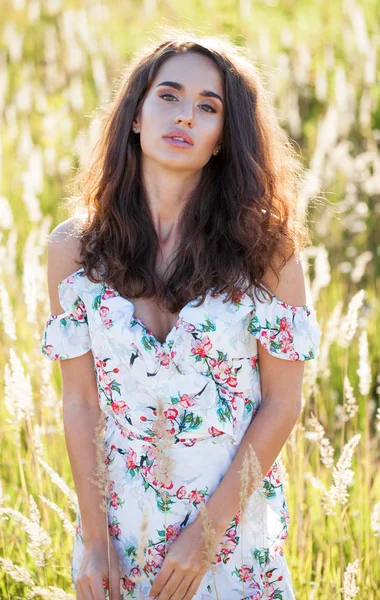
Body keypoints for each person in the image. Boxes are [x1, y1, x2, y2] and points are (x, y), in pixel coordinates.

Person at [41, 31, 321, 600]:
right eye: (168, 96)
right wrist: (95, 541)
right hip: (119, 540)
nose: (185, 116)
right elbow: (80, 401)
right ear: (136, 116)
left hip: (231, 538)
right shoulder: (73, 250)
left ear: (223, 138)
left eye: (208, 107)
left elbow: (282, 402)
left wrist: (208, 535)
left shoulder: (267, 252)